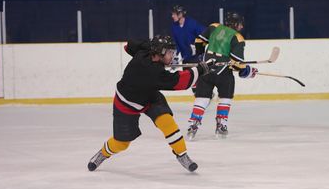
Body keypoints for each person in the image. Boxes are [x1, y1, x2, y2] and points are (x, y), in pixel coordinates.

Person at [87, 35, 211, 173]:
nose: (172, 56)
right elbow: (179, 82)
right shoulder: (153, 72)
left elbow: (130, 45)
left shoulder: (145, 52)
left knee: (167, 123)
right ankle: (103, 153)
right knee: (121, 143)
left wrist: (150, 45)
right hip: (127, 103)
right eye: (170, 52)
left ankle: (181, 154)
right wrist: (200, 70)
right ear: (160, 52)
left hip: (149, 95)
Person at [186, 11, 258, 140]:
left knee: (202, 98)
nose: (241, 27)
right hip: (223, 73)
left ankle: (193, 124)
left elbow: (198, 41)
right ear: (235, 24)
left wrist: (201, 56)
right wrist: (248, 71)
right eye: (240, 24)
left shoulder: (214, 26)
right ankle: (221, 125)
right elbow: (237, 64)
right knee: (226, 96)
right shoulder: (237, 37)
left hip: (206, 68)